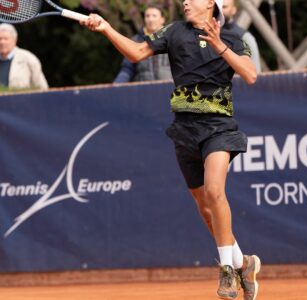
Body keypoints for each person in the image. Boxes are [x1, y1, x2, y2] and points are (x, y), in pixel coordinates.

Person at [80, 0, 261, 299]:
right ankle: (244, 262)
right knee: (205, 207)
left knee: (216, 192)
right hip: (184, 129)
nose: (185, 2)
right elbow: (136, 53)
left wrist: (219, 46)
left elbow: (251, 75)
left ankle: (227, 271)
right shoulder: (174, 31)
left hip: (219, 128)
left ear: (210, 4)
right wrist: (107, 28)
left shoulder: (232, 37)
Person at [113, 5, 172, 83]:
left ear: (162, 19)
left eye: (154, 16)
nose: (150, 19)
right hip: (143, 90)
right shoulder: (136, 40)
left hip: (170, 90)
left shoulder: (172, 38)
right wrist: (116, 86)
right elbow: (127, 69)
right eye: (147, 16)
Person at [0, 23, 49, 90]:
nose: (2, 42)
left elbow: (42, 88)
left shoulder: (29, 58)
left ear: (14, 40)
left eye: (6, 39)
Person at [222, 0, 262, 72]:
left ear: (233, 10)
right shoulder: (206, 32)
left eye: (224, 7)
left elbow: (255, 71)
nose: (220, 10)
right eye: (218, 7)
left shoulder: (244, 37)